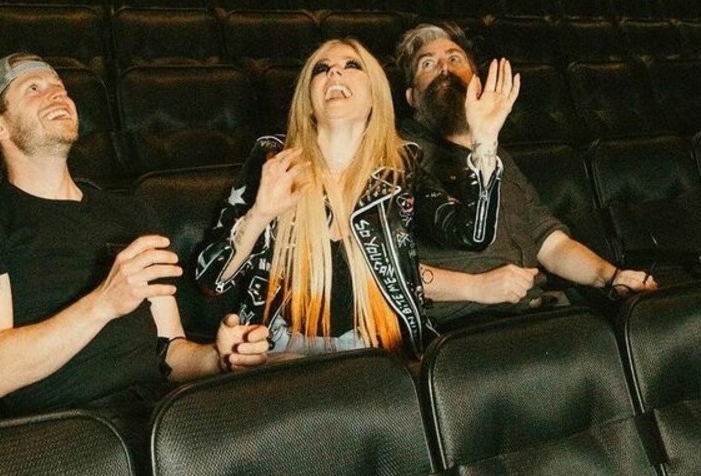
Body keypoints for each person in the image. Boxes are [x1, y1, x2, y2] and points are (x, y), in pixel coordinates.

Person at [0, 54, 269, 421]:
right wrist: (104, 303)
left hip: (158, 415)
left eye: (60, 87)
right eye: (34, 88)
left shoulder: (130, 213)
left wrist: (217, 358)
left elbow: (170, 351)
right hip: (65, 426)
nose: (58, 94)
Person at [195, 37, 519, 356]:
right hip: (282, 348)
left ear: (375, 95)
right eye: (321, 69)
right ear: (308, 98)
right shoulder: (274, 158)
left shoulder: (401, 166)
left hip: (382, 348)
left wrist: (484, 142)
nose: (334, 72)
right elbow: (210, 277)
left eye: (351, 65)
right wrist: (260, 215)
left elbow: (472, 234)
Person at [394, 21, 656, 322]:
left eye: (454, 58)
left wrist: (610, 276)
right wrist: (476, 286)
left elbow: (551, 244)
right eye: (428, 64)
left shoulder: (499, 156)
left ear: (477, 83)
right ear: (412, 97)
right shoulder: (399, 155)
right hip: (465, 324)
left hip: (537, 311)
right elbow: (382, 265)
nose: (444, 68)